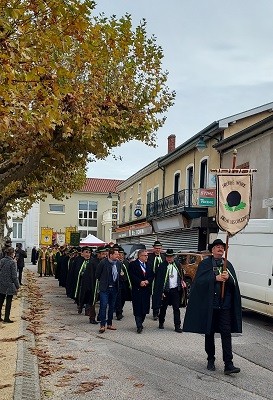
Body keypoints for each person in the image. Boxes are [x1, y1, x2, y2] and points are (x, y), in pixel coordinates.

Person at [183, 238, 242, 375]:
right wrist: (214, 278)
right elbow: (199, 282)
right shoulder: (205, 264)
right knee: (209, 332)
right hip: (210, 305)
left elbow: (234, 285)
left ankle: (229, 364)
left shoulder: (228, 265)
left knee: (226, 333)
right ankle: (210, 359)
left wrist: (229, 279)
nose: (220, 249)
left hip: (224, 306)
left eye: (222, 247)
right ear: (212, 250)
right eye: (217, 247)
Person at [153, 249, 184, 333]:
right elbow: (159, 280)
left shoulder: (177, 265)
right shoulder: (162, 266)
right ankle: (161, 322)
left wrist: (182, 282)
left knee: (176, 308)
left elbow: (181, 275)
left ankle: (177, 326)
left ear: (173, 257)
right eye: (168, 257)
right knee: (163, 308)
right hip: (165, 291)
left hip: (175, 290)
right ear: (165, 257)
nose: (169, 258)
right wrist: (161, 292)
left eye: (171, 257)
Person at [95, 248, 121, 333]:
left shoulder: (118, 264)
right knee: (103, 305)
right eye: (116, 254)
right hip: (105, 288)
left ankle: (109, 324)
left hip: (114, 288)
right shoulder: (103, 263)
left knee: (112, 306)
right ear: (110, 255)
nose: (118, 256)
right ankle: (102, 325)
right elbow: (97, 275)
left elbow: (119, 275)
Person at [129, 249, 154, 333]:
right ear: (140, 256)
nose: (147, 257)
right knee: (137, 308)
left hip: (146, 289)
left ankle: (141, 321)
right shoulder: (133, 264)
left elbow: (152, 275)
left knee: (144, 308)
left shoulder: (149, 264)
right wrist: (139, 282)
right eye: (145, 255)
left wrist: (148, 281)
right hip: (137, 289)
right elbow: (131, 275)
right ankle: (138, 325)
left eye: (147, 255)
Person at [0, 247, 20, 323]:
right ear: (12, 254)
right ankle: (6, 318)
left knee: (1, 301)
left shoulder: (2, 260)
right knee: (8, 302)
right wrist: (17, 286)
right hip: (9, 284)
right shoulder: (12, 262)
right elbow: (14, 276)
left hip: (1, 283)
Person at [148, 240, 165, 320]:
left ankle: (159, 312)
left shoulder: (163, 257)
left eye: (159, 248)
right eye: (156, 248)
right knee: (154, 296)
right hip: (152, 279)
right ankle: (155, 312)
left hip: (161, 279)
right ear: (153, 248)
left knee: (160, 296)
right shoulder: (150, 257)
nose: (158, 250)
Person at [115, 247, 132, 320]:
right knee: (118, 298)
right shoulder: (115, 263)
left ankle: (120, 309)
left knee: (123, 298)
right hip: (117, 282)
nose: (121, 256)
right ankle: (118, 312)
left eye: (122, 255)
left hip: (125, 283)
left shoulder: (126, 262)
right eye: (119, 254)